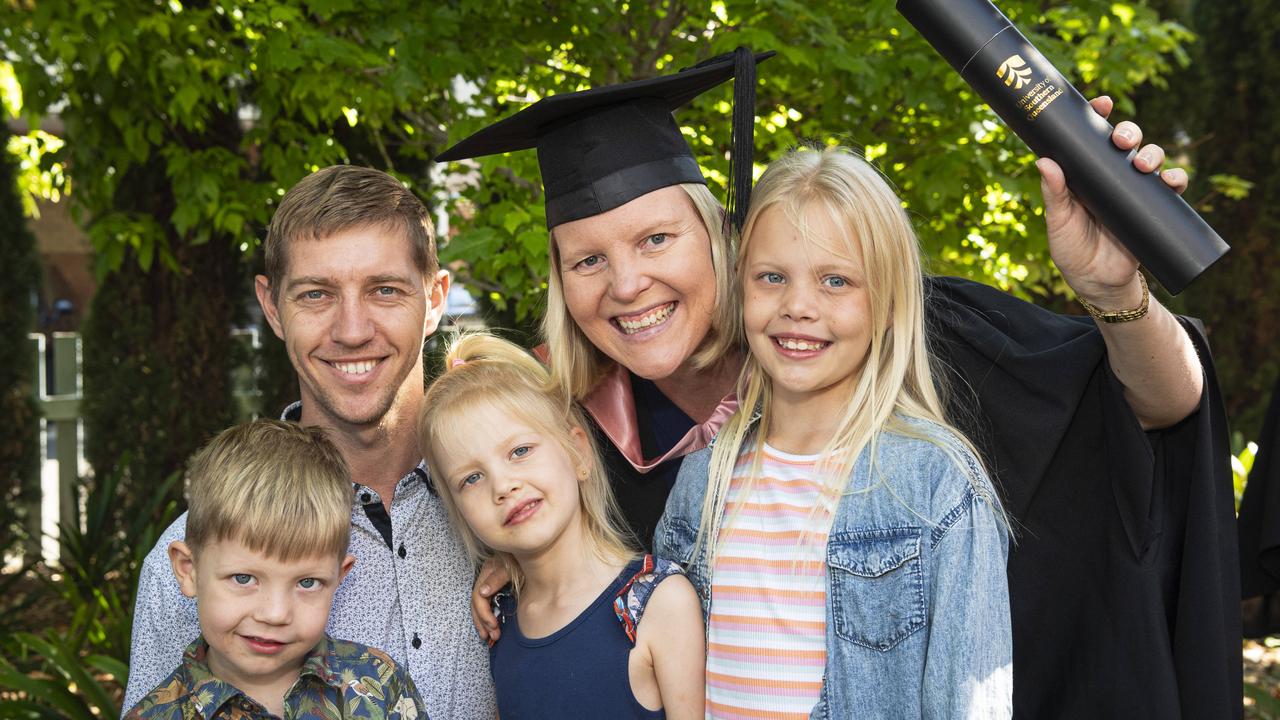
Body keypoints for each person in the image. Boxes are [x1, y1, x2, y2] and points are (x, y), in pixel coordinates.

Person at [437, 49, 1238, 717]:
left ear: (722, 235)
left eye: (655, 238)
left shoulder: (911, 334)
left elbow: (1161, 409)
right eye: (587, 261)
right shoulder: (579, 448)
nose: (626, 284)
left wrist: (1114, 297)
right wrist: (529, 553)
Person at [123, 166, 496, 719]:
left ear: (435, 298)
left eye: (385, 290)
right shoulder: (202, 558)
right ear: (273, 307)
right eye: (316, 294)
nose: (351, 330)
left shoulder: (518, 503)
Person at [654, 145, 1011, 717]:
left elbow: (968, 701)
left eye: (836, 281)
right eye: (772, 277)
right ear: (740, 286)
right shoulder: (701, 484)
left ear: (889, 301)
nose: (798, 306)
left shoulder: (934, 485)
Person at [417, 333, 705, 719]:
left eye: (520, 451)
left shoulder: (659, 603)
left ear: (579, 452)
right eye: (471, 478)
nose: (503, 486)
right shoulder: (497, 625)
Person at [125, 420, 427, 720]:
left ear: (339, 577)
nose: (275, 614)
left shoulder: (381, 688)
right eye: (244, 578)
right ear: (188, 570)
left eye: (307, 582)